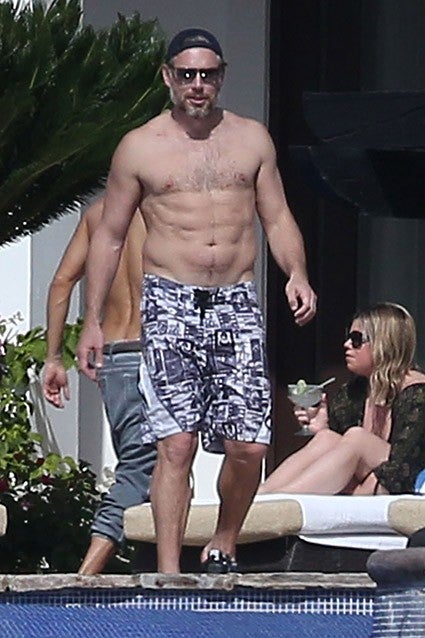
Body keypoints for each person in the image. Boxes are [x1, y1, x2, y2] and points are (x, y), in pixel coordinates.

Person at [77, 28, 316, 574]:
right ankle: (169, 573)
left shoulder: (252, 140)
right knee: (176, 443)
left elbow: (277, 217)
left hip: (236, 299)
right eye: (187, 74)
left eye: (208, 74)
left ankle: (224, 541)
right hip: (170, 302)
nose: (198, 85)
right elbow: (109, 236)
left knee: (249, 446)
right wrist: (92, 321)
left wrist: (297, 273)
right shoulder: (140, 147)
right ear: (168, 77)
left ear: (222, 76)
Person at [43, 196, 157, 574]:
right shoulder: (166, 207)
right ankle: (84, 576)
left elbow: (62, 281)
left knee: (164, 471)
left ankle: (161, 572)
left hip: (113, 357)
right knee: (140, 470)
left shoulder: (97, 213)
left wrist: (53, 357)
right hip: (151, 354)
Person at [259, 302, 425, 496]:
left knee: (357, 438)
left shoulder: (417, 394)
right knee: (326, 439)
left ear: (383, 344)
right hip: (367, 480)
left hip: (404, 482)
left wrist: (359, 494)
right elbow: (339, 456)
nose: (346, 345)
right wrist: (323, 427)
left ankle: (284, 499)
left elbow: (404, 467)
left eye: (356, 339)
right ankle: (262, 496)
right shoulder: (355, 391)